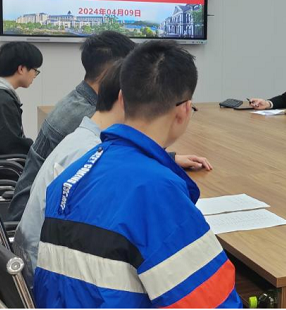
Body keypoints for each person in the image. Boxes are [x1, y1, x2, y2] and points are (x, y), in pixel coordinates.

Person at [34, 40, 241, 308]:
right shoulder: (156, 191)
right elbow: (212, 303)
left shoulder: (72, 172)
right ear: (184, 110)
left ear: (121, 99)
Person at [13, 60, 212, 286]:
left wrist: (167, 158)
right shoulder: (93, 156)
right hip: (47, 276)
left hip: (38, 265)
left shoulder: (84, 139)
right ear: (123, 99)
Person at [8, 31, 135, 221]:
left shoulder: (80, 101)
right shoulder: (87, 117)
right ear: (111, 74)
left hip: (35, 210)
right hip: (39, 220)